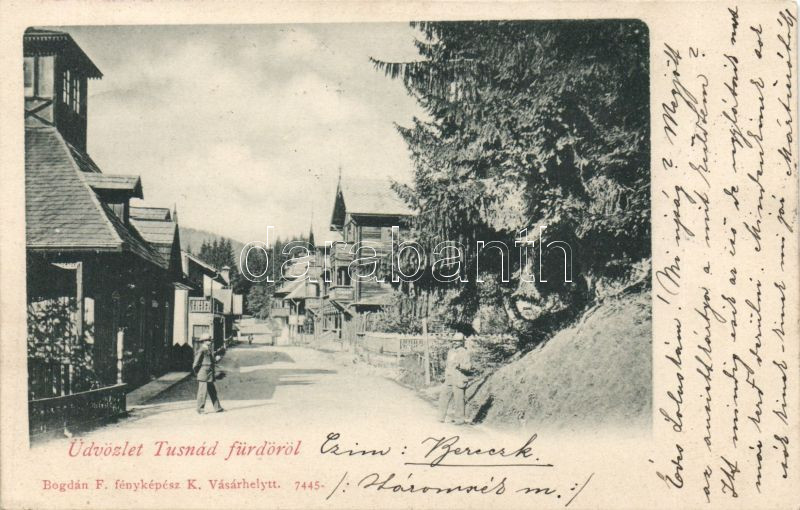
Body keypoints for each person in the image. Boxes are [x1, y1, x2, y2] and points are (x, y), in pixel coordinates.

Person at [438, 337, 473, 425]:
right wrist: (445, 376)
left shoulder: (465, 352)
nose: (455, 342)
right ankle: (441, 417)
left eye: (457, 341)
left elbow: (468, 367)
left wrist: (460, 366)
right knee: (443, 397)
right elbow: (448, 365)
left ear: (461, 342)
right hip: (449, 378)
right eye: (454, 341)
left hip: (459, 378)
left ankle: (459, 420)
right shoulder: (451, 352)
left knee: (459, 400)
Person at [193, 334, 224, 414]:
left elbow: (210, 362)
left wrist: (216, 359)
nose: (210, 341)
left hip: (209, 374)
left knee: (213, 391)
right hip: (204, 374)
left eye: (210, 340)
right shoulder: (201, 350)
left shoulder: (208, 349)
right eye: (208, 340)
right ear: (204, 341)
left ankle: (218, 408)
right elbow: (195, 364)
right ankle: (200, 409)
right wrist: (198, 373)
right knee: (202, 393)